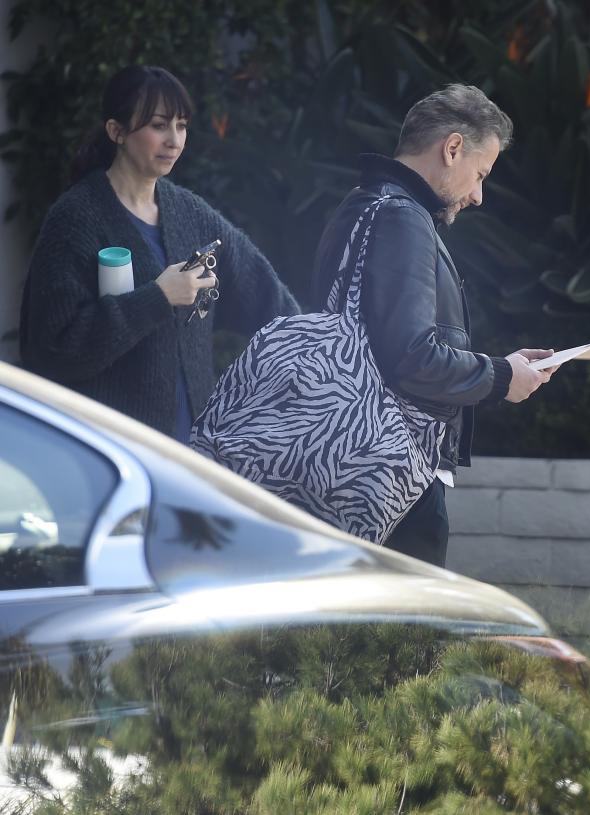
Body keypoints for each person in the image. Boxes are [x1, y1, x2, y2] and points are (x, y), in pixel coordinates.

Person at [311, 84, 554, 567]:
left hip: (339, 462)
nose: (479, 196)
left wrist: (501, 366)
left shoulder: (362, 204)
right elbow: (412, 356)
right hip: (392, 472)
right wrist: (502, 377)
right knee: (404, 636)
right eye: (480, 174)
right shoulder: (403, 218)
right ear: (453, 148)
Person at [19, 65, 299, 443]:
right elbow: (51, 351)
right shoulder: (75, 219)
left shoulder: (192, 214)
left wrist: (327, 350)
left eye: (181, 125)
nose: (175, 140)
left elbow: (269, 298)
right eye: (158, 125)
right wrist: (157, 297)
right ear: (116, 131)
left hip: (190, 458)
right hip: (112, 456)